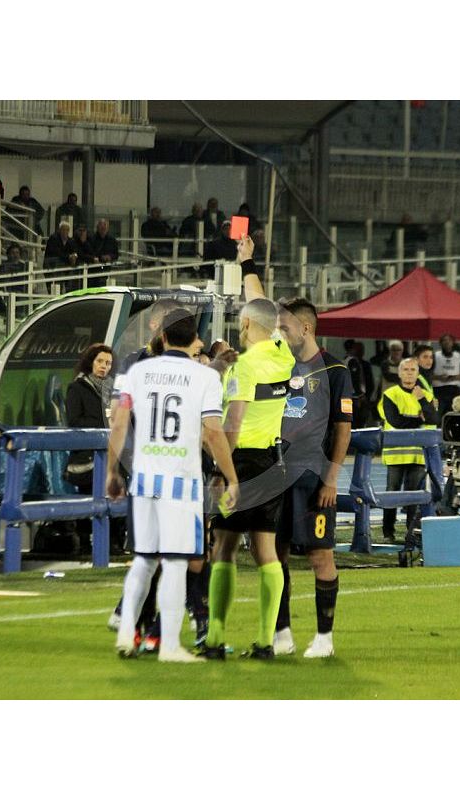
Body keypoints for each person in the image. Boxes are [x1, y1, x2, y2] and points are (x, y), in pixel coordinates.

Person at [107, 310, 239, 663]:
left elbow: (119, 423)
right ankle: (169, 645)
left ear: (162, 337)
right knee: (177, 563)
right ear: (195, 339)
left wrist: (111, 471)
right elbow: (213, 433)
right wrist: (231, 476)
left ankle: (126, 634)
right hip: (181, 483)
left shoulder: (138, 372)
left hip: (144, 479)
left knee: (144, 560)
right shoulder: (205, 377)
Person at [200, 242, 295, 660]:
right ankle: (265, 642)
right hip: (273, 462)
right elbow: (260, 301)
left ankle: (215, 640)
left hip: (241, 461)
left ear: (243, 324)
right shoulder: (282, 353)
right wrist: (247, 263)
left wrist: (222, 472)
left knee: (223, 547)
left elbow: (233, 424)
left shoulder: (244, 366)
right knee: (265, 551)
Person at [273, 296, 353, 658]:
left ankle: (324, 638)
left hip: (313, 479)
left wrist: (331, 479)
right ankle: (282, 633)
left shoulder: (335, 371)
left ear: (305, 328)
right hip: (276, 477)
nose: (279, 332)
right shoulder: (278, 366)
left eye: (284, 326)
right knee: (275, 555)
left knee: (320, 556)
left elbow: (343, 430)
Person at [378, 358, 438, 542]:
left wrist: (422, 401)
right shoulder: (390, 394)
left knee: (414, 495)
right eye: (406, 369)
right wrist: (419, 419)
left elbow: (433, 419)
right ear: (399, 373)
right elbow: (396, 421)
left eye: (413, 369)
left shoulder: (426, 395)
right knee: (392, 493)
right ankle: (388, 532)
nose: (409, 373)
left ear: (418, 373)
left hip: (418, 454)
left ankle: (410, 532)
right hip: (396, 454)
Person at [64, 343, 114, 491]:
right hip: (86, 461)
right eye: (100, 361)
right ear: (90, 362)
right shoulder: (76, 388)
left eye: (108, 363)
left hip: (111, 459)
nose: (104, 366)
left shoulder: (112, 390)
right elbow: (74, 421)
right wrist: (104, 422)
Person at [432, 333, 460, 416]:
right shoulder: (435, 356)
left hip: (454, 390)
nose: (447, 342)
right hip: (438, 390)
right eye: (444, 340)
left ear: (453, 342)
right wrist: (439, 377)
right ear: (440, 343)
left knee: (453, 414)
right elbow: (428, 375)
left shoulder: (458, 356)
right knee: (437, 414)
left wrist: (454, 377)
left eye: (449, 340)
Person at [344, 339, 374, 427]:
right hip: (353, 398)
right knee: (353, 422)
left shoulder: (364, 364)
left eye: (362, 350)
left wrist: (367, 397)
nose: (361, 352)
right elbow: (354, 380)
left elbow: (370, 382)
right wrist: (360, 396)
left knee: (360, 422)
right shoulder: (350, 361)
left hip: (360, 397)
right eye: (358, 349)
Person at [43, 222, 78, 291]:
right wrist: (68, 256)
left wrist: (74, 256)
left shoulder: (70, 241)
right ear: (59, 230)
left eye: (67, 230)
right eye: (63, 229)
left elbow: (74, 251)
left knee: (66, 285)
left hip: (64, 268)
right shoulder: (53, 238)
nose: (65, 232)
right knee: (53, 287)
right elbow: (56, 252)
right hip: (51, 266)